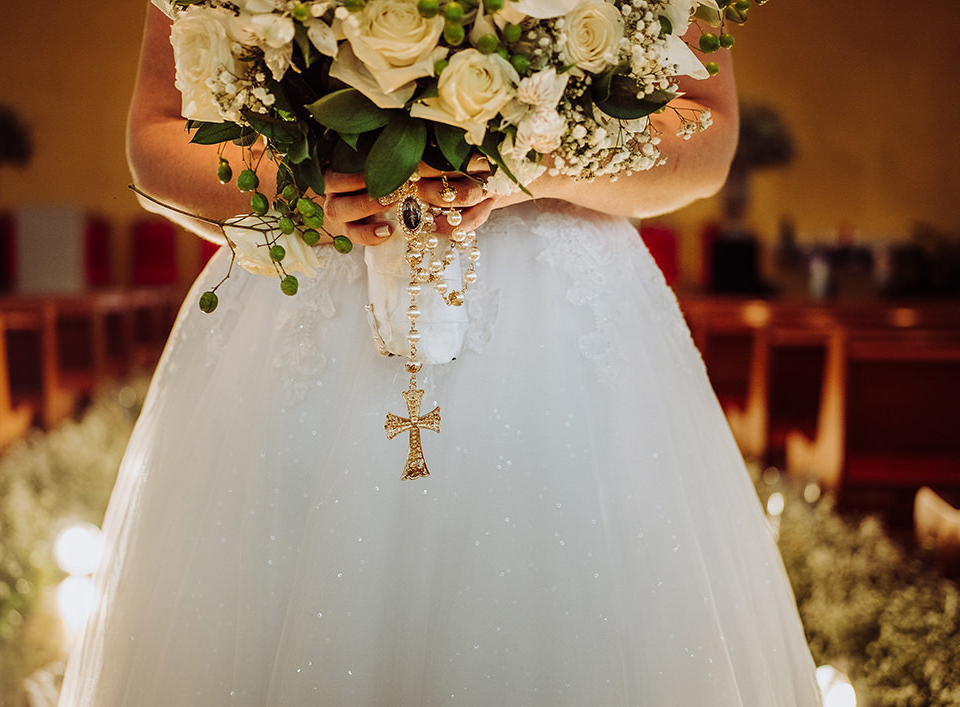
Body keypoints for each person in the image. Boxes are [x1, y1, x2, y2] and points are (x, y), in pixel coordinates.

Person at [59, 4, 821, 705]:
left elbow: (707, 131)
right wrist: (300, 186)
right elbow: (155, 136)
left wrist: (533, 165)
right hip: (305, 325)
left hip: (561, 338)